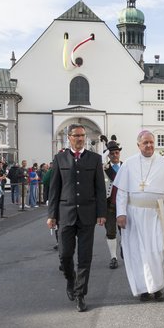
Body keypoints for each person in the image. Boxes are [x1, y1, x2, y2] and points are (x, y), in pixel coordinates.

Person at [113, 130, 164, 302]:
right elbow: (122, 192)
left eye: (151, 142)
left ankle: (157, 287)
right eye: (145, 143)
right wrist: (120, 214)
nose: (149, 145)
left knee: (158, 250)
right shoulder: (128, 164)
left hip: (158, 215)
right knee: (137, 252)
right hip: (134, 215)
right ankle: (143, 288)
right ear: (138, 145)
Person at [47, 124, 107, 312]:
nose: (80, 139)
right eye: (77, 136)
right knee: (65, 255)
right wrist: (52, 215)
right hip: (65, 214)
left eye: (83, 136)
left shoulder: (95, 159)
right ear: (69, 137)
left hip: (87, 214)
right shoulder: (59, 159)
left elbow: (100, 188)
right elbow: (54, 189)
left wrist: (101, 213)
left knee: (84, 257)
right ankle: (70, 280)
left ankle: (80, 294)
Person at [103, 138, 123, 269]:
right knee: (110, 232)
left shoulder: (126, 166)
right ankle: (113, 257)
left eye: (116, 153)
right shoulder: (104, 169)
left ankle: (125, 249)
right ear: (108, 155)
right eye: (112, 153)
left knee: (126, 232)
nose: (115, 155)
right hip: (109, 205)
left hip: (124, 206)